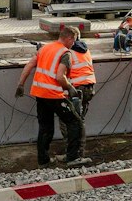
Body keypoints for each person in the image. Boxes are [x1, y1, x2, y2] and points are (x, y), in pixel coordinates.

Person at [13, 25, 85, 167]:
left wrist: (21, 84)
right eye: (74, 40)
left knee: (45, 127)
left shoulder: (44, 48)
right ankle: (72, 157)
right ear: (69, 38)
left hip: (40, 94)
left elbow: (29, 65)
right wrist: (70, 88)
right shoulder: (65, 53)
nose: (74, 44)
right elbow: (60, 76)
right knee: (75, 122)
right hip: (54, 95)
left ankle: (43, 161)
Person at [67, 38, 97, 125]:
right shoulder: (86, 50)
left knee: (72, 119)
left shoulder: (69, 52)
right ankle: (80, 138)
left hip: (77, 88)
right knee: (80, 118)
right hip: (89, 87)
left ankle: (73, 138)